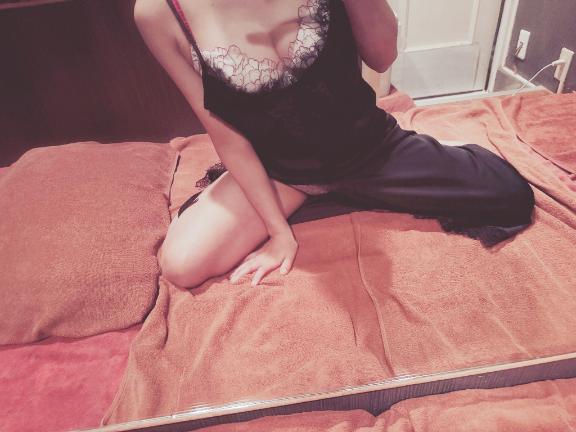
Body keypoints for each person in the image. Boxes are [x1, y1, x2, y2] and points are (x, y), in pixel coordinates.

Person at [133, 0, 535, 289]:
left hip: (369, 149)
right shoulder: (159, 12)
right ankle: (323, 193)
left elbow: (382, 57)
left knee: (508, 193)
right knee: (181, 265)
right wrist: (278, 232)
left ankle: (426, 152)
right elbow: (225, 132)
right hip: (280, 170)